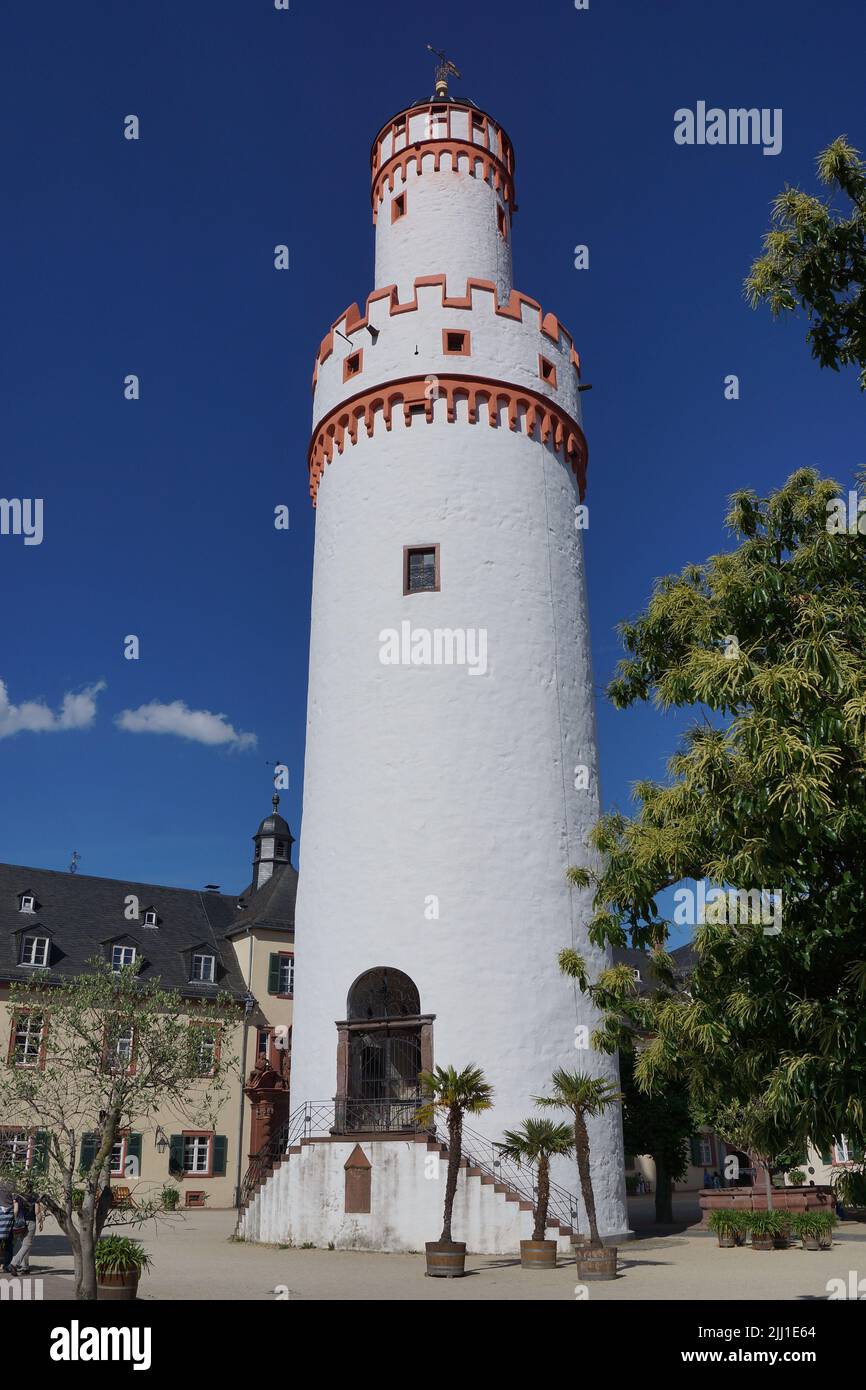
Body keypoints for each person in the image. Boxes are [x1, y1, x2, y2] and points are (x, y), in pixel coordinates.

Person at [10, 1189, 43, 1275]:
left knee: (24, 1245)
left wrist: (15, 1221)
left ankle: (25, 1267)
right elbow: (37, 1211)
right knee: (27, 1244)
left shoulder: (19, 1196)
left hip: (20, 1223)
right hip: (31, 1222)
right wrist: (41, 1222)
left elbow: (16, 1210)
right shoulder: (35, 1196)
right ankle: (14, 1263)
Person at [0, 1185, 15, 1273]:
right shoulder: (12, 1187)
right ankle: (7, 1265)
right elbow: (15, 1203)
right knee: (9, 1244)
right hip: (9, 1217)